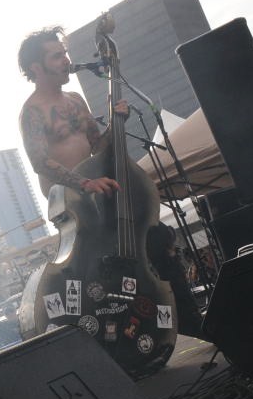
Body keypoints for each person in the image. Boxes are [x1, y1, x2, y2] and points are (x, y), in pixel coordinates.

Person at [16, 26, 202, 338]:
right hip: (75, 206)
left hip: (103, 195)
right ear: (36, 67)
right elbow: (39, 161)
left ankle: (190, 323)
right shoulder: (32, 112)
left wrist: (117, 122)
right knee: (96, 275)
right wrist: (84, 183)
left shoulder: (75, 101)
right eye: (57, 56)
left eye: (65, 53)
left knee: (157, 241)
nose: (66, 60)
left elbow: (97, 146)